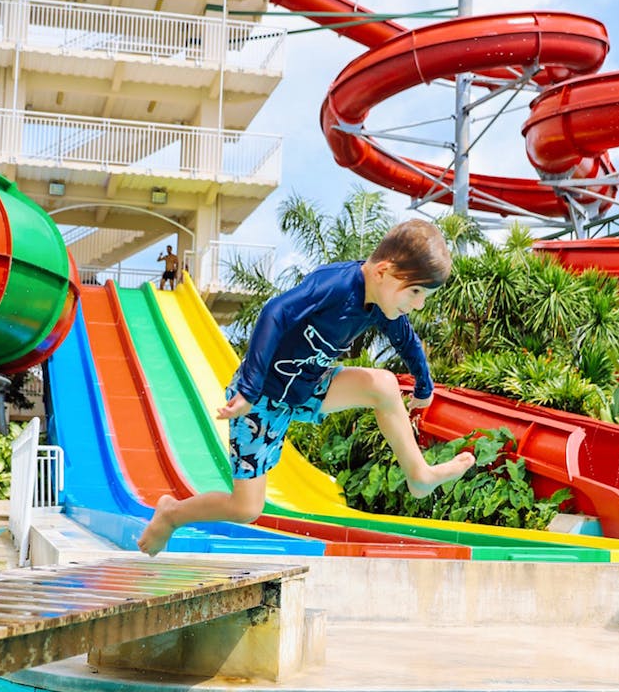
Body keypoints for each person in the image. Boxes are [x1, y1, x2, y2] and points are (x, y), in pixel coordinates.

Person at [137, 219, 476, 555]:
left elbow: (407, 341)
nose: (418, 304)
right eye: (415, 292)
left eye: (424, 296)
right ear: (382, 271)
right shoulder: (337, 285)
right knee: (246, 508)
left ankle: (418, 476)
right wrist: (250, 390)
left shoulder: (381, 306)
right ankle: (171, 514)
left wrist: (424, 385)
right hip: (262, 400)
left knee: (384, 385)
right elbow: (275, 313)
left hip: (310, 387)